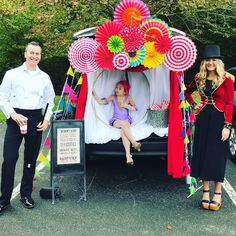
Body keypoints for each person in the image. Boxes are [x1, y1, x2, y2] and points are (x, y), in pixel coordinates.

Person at [0, 41, 55, 214]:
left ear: (40, 56)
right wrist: (13, 115)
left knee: (30, 160)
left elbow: (50, 101)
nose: (34, 56)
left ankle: (26, 195)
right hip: (15, 119)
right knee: (9, 159)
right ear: (25, 54)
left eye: (37, 54)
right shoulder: (12, 74)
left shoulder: (44, 77)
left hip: (35, 120)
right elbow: (2, 97)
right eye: (31, 53)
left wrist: (46, 120)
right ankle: (4, 199)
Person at [185, 45, 234, 211]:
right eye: (208, 60)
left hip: (219, 120)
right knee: (203, 153)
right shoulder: (199, 78)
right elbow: (186, 92)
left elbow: (228, 104)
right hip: (202, 119)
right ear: (204, 62)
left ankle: (218, 192)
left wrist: (227, 126)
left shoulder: (227, 79)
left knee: (217, 155)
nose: (210, 63)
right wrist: (194, 105)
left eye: (214, 60)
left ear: (218, 62)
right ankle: (205, 191)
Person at [92, 80, 141, 165]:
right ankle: (134, 142)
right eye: (116, 88)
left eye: (120, 88)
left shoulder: (128, 98)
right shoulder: (113, 97)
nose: (117, 90)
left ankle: (128, 156)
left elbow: (135, 108)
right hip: (116, 120)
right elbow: (101, 102)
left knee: (123, 132)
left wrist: (126, 105)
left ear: (125, 90)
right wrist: (95, 95)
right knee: (122, 124)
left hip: (126, 119)